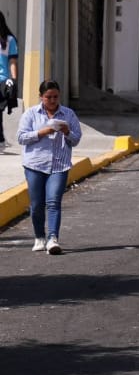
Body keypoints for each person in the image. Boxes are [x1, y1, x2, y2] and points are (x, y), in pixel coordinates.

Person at [17, 80, 81, 255]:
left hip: (59, 165)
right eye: (48, 97)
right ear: (41, 97)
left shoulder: (68, 114)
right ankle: (39, 237)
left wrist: (67, 132)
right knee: (37, 204)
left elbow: (76, 139)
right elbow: (21, 137)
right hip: (35, 164)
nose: (52, 101)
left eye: (55, 97)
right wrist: (42, 132)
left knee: (53, 202)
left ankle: (53, 238)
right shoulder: (31, 114)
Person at [0, 12, 17, 150]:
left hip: (2, 80)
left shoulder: (10, 41)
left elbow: (12, 61)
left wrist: (13, 80)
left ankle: (0, 140)